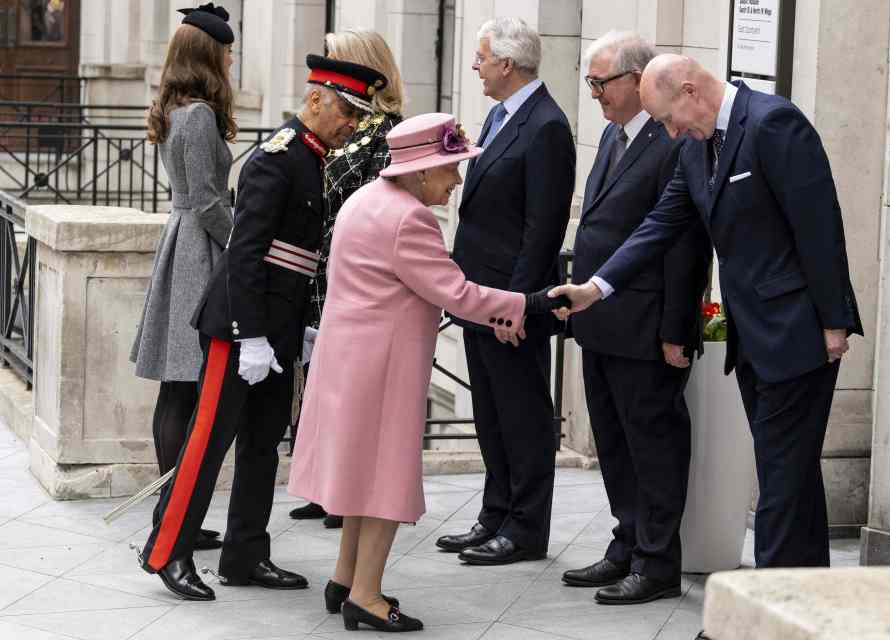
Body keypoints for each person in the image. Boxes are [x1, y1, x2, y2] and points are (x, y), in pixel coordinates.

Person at [551, 54, 863, 571]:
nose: (669, 133)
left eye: (668, 118)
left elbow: (819, 226)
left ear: (691, 92)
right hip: (750, 337)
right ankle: (806, 601)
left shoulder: (773, 123)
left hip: (797, 332)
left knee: (781, 485)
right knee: (792, 475)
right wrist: (595, 289)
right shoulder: (696, 149)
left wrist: (835, 321)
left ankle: (760, 617)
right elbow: (659, 225)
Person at [288, 113, 569, 633]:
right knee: (384, 482)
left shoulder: (364, 200)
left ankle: (346, 579)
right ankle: (367, 597)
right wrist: (531, 303)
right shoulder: (409, 219)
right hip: (381, 370)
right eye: (450, 169)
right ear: (420, 172)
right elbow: (456, 292)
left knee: (359, 476)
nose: (457, 181)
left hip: (348, 360)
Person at [137, 53, 387, 602]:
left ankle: (246, 553)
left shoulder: (315, 156)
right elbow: (246, 254)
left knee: (262, 445)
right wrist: (247, 333)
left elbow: (300, 257)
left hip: (277, 323)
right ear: (315, 99)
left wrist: (297, 328)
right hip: (239, 325)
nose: (352, 123)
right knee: (208, 442)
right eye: (346, 110)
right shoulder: (276, 157)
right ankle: (168, 550)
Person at [560, 33, 711, 605]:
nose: (594, 92)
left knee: (652, 445)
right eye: (592, 82)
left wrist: (677, 328)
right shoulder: (610, 133)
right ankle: (626, 541)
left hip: (647, 326)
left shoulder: (673, 137)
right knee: (615, 442)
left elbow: (683, 241)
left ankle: (656, 562)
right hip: (600, 319)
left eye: (602, 81)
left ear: (638, 78)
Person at [435, 16, 575, 566]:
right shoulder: (498, 115)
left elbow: (543, 227)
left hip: (511, 306)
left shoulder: (547, 126)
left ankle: (524, 527)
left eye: (481, 57)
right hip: (478, 296)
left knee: (522, 416)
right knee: (491, 415)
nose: (475, 66)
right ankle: (494, 514)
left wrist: (516, 305)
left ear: (507, 64)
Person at [130, 2, 237, 554]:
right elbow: (206, 201)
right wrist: (246, 240)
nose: (231, 61)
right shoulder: (195, 115)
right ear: (208, 56)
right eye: (226, 53)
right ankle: (173, 516)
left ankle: (174, 512)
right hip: (198, 248)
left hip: (188, 243)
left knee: (181, 389)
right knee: (184, 386)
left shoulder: (178, 108)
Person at [289, 28, 405, 529]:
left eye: (337, 58)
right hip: (314, 267)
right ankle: (322, 485)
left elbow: (382, 204)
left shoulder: (387, 132)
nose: (330, 68)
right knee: (317, 382)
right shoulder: (329, 121)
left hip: (351, 272)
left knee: (346, 386)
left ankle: (345, 493)